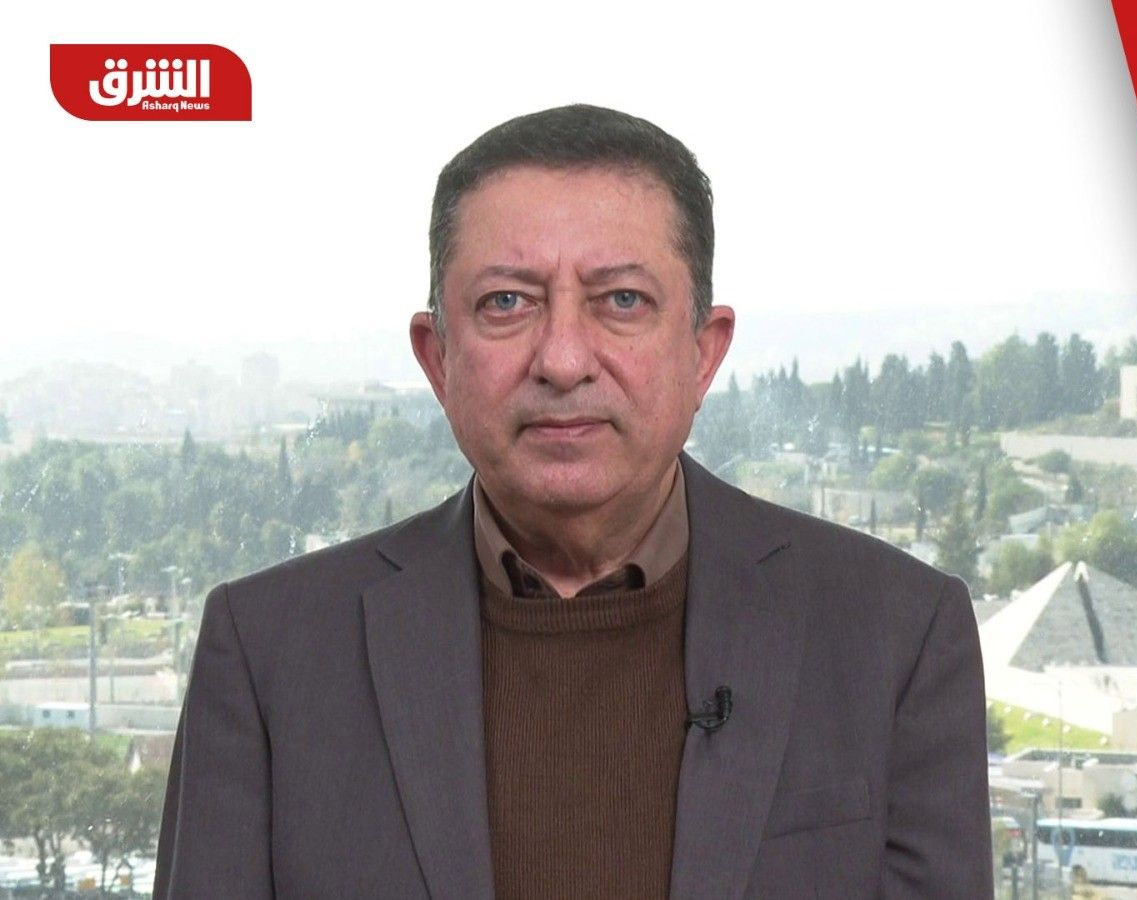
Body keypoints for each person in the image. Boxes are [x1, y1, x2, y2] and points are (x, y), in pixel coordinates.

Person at [153, 104, 991, 899]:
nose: (561, 359)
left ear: (703, 352)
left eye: (622, 301)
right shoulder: (267, 652)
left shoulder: (898, 634)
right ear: (437, 358)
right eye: (506, 303)